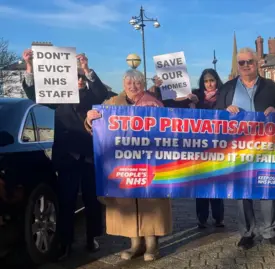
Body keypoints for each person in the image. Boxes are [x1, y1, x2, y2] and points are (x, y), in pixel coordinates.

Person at [21, 49, 107, 259]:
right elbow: (34, 94)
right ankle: (65, 243)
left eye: (81, 77)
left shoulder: (92, 96)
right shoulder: (57, 96)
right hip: (67, 156)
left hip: (89, 156)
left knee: (92, 201)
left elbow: (102, 92)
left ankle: (91, 238)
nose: (78, 80)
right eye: (75, 76)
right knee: (66, 201)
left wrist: (87, 68)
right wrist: (30, 66)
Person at [85, 69, 172, 262]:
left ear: (143, 83)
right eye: (129, 83)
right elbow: (97, 131)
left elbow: (167, 130)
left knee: (151, 202)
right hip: (123, 163)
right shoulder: (111, 104)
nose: (133, 87)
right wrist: (90, 118)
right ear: (124, 84)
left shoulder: (154, 103)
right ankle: (135, 244)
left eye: (138, 83)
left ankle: (152, 245)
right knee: (129, 203)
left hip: (150, 162)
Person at [215, 47, 275, 250]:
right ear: (237, 66)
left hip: (266, 148)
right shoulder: (228, 88)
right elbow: (215, 116)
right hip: (237, 149)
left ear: (257, 64)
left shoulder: (272, 87)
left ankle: (270, 233)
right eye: (242, 63)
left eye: (250, 62)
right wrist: (224, 111)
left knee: (267, 189)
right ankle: (247, 233)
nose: (246, 65)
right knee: (242, 192)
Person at [191, 68, 225, 229]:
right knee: (201, 184)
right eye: (206, 81)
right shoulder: (195, 97)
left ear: (216, 81)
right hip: (200, 147)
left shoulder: (224, 96)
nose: (209, 84)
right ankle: (201, 218)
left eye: (212, 80)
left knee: (217, 183)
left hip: (219, 146)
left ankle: (218, 217)